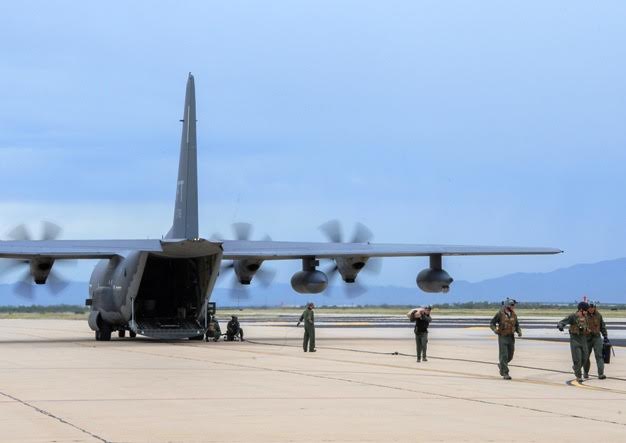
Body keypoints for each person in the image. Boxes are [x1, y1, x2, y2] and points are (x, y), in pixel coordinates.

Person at [489, 298, 521, 380]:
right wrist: (495, 330)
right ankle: (505, 373)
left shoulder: (514, 314)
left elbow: (517, 325)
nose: (514, 306)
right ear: (507, 305)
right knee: (504, 355)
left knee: (510, 355)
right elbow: (492, 323)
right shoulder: (500, 314)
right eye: (512, 305)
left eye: (514, 305)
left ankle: (501, 365)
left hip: (511, 337)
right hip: (502, 336)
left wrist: (519, 331)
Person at [558, 302, 590, 383]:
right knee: (577, 359)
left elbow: (587, 327)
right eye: (586, 310)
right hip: (575, 339)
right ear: (581, 309)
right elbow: (563, 321)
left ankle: (576, 368)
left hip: (583, 339)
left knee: (585, 357)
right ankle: (578, 376)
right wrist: (561, 326)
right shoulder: (573, 316)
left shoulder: (586, 317)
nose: (587, 312)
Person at [583, 303, 608, 380]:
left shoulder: (598, 315)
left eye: (592, 308)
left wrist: (605, 336)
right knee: (586, 356)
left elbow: (602, 326)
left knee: (599, 356)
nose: (591, 309)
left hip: (597, 338)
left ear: (594, 308)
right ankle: (586, 372)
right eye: (589, 308)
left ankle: (601, 374)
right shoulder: (584, 315)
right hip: (587, 338)